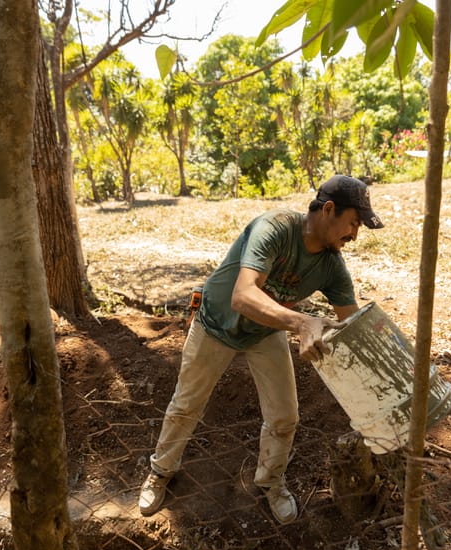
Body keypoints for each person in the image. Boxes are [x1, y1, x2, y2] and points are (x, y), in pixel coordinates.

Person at [139, 174, 384, 524]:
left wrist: (395, 378)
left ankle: (270, 481)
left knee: (284, 416)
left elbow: (354, 324)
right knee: (186, 405)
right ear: (329, 210)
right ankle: (161, 472)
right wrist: (302, 323)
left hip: (265, 331)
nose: (355, 235)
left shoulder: (331, 266)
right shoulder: (276, 228)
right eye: (353, 223)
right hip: (215, 324)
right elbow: (243, 296)